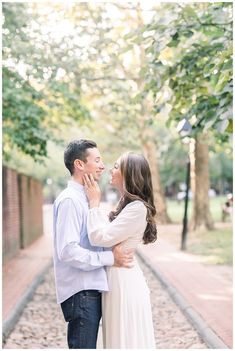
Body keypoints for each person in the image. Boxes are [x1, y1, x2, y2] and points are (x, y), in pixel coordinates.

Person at [53, 140, 134, 349]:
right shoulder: (70, 200)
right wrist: (110, 258)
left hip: (90, 290)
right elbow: (67, 251)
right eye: (97, 160)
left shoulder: (87, 197)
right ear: (79, 164)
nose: (102, 166)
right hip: (81, 292)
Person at [83, 151, 157, 349]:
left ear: (129, 174)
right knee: (117, 337)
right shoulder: (127, 205)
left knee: (124, 339)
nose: (110, 169)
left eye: (116, 166)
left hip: (124, 282)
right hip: (116, 277)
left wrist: (93, 204)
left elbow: (101, 237)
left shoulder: (137, 209)